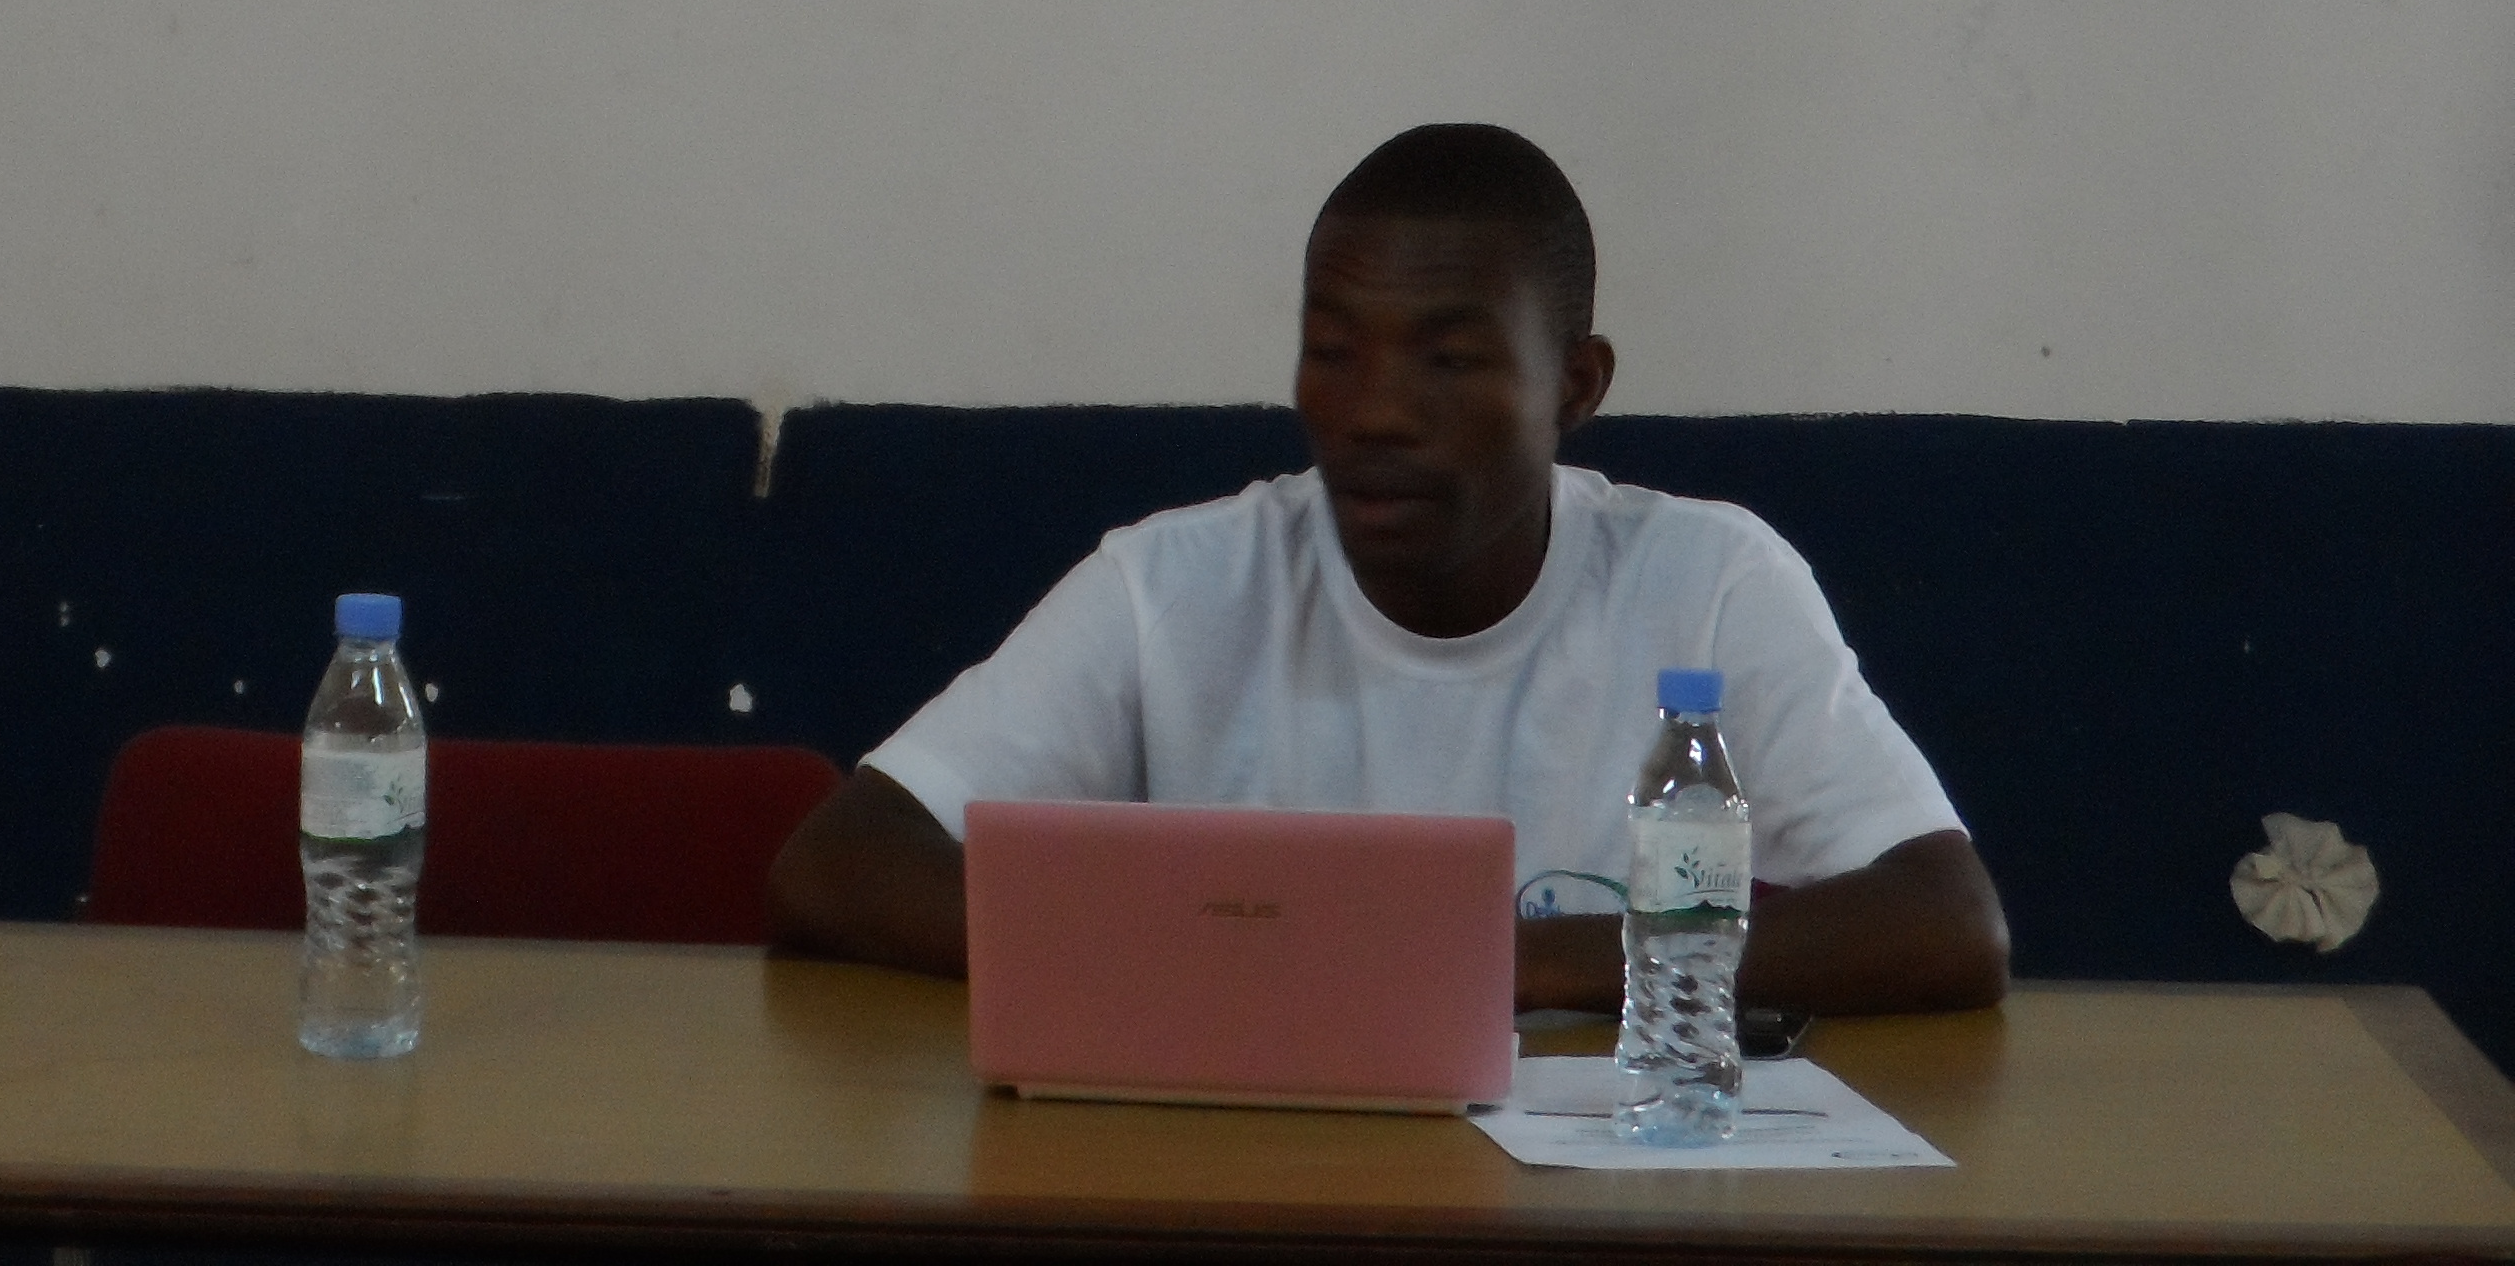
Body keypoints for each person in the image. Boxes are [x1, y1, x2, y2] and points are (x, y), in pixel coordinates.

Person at [767, 124, 2007, 1015]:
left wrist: (1506, 962)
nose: (1375, 413)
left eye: (1448, 361)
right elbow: (840, 865)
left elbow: (1947, 921)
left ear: (1576, 386)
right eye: (1333, 350)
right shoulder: (1176, 585)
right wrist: (1196, 958)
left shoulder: (1709, 580)